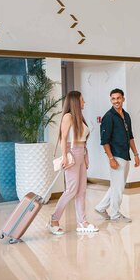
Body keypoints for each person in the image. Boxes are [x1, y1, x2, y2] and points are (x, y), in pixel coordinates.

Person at [48, 90, 98, 235]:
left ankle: (82, 222)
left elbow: (83, 140)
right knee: (71, 190)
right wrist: (64, 156)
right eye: (82, 99)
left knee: (82, 190)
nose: (84, 102)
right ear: (75, 101)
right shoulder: (68, 117)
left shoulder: (79, 117)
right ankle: (53, 220)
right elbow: (63, 138)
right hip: (73, 153)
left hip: (81, 152)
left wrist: (85, 156)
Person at [94, 88, 140, 223]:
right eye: (113, 99)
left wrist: (136, 154)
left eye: (118, 98)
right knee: (118, 187)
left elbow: (130, 137)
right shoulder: (108, 117)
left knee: (117, 186)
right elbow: (104, 141)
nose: (116, 101)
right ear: (111, 100)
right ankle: (115, 214)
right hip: (116, 155)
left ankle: (101, 207)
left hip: (125, 154)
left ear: (123, 99)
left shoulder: (126, 116)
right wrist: (111, 158)